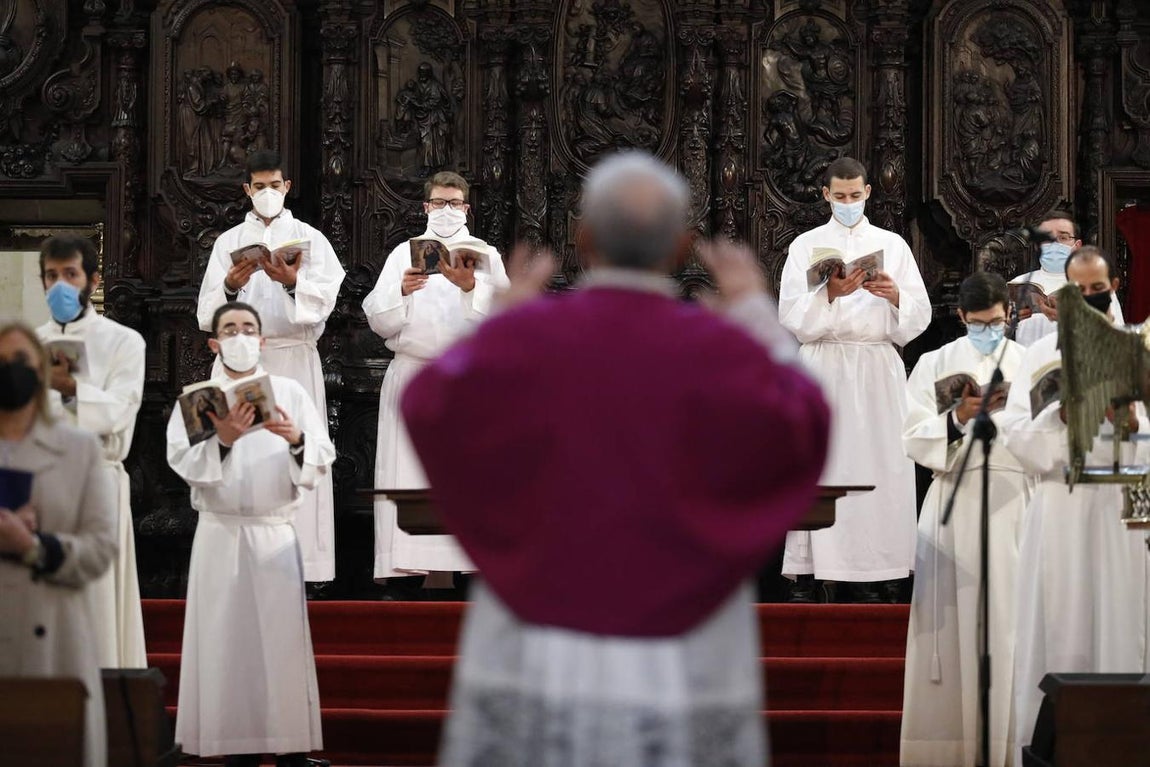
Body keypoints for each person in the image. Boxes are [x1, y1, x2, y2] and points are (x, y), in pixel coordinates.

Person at [400, 152, 831, 766]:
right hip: (681, 625)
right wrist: (756, 315)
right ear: (683, 246)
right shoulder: (719, 346)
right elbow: (803, 421)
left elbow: (432, 403)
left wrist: (500, 322)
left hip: (548, 616)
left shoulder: (528, 337)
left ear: (583, 239)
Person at [167, 302, 334, 767]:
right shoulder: (201, 399)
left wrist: (296, 439)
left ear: (261, 340)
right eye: (231, 330)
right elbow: (181, 462)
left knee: (279, 646)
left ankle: (290, 750)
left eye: (249, 328)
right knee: (226, 646)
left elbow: (321, 454)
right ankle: (234, 747)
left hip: (273, 533)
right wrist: (222, 440)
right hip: (220, 534)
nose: (241, 336)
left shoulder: (289, 392)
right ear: (215, 343)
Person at [1000, 246, 1149, 764]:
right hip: (1063, 502)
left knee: (1125, 619)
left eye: (1098, 288)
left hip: (1124, 504)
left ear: (1113, 286)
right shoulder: (1042, 357)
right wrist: (1060, 419)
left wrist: (1130, 415)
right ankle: (1053, 748)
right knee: (1063, 620)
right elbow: (1016, 434)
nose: (1089, 298)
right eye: (1078, 290)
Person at [778, 156, 932, 603]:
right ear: (826, 195)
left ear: (868, 193)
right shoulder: (805, 246)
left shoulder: (893, 245)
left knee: (881, 467)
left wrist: (895, 294)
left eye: (855, 196)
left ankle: (881, 570)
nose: (848, 203)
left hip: (875, 365)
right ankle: (809, 573)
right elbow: (790, 314)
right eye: (839, 196)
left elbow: (919, 314)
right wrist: (830, 293)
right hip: (824, 364)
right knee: (821, 463)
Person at [198, 149, 345, 584]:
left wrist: (292, 281)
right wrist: (230, 284)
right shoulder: (228, 242)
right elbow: (206, 311)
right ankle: (236, 561)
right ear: (247, 190)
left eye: (273, 185)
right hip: (239, 363)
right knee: (236, 450)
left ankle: (307, 567)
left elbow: (328, 301)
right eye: (258, 186)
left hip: (293, 357)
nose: (266, 193)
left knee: (299, 449)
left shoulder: (310, 238)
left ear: (287, 187)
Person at [899, 272, 1028, 766]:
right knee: (950, 634)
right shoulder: (936, 362)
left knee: (1010, 624)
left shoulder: (1028, 362)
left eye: (997, 322)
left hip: (1015, 497)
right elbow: (911, 435)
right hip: (955, 495)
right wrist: (956, 421)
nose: (989, 331)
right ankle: (949, 751)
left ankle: (1008, 747)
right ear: (961, 318)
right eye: (978, 323)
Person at [363, 170, 509, 592]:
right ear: (425, 206)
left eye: (455, 203)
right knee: (409, 480)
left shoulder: (486, 256)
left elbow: (506, 321)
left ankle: (469, 580)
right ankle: (404, 579)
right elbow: (378, 319)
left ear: (467, 207)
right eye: (439, 203)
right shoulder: (400, 256)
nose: (447, 211)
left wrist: (470, 290)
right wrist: (402, 292)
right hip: (414, 375)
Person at [0, 322, 117, 767]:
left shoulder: (78, 448)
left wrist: (34, 546)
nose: (11, 372)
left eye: (22, 363)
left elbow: (101, 547)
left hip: (52, 633)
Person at [34, 234, 148, 669]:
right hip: (37, 487)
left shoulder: (123, 342)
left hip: (94, 479)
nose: (60, 285)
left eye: (70, 274)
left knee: (95, 606)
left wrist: (70, 391)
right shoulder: (26, 344)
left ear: (93, 279)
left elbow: (119, 412)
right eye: (51, 276)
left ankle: (100, 711)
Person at [1007, 210, 1124, 346]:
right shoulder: (1018, 284)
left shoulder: (1096, 285)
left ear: (1077, 246)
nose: (1054, 244)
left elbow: (1117, 338)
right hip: (1031, 363)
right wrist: (1007, 324)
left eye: (1063, 237)